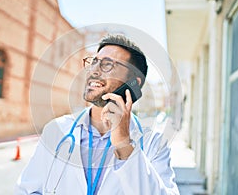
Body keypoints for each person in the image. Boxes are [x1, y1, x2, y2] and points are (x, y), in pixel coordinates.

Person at [15, 34, 180, 195]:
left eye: (107, 64)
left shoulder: (154, 144)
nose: (94, 71)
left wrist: (124, 144)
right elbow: (28, 190)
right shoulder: (56, 130)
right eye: (94, 62)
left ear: (133, 84)